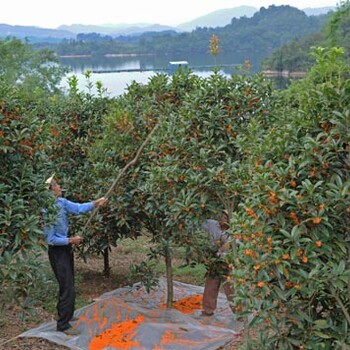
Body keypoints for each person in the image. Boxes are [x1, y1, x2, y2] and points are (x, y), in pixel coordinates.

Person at [43, 174, 107, 335]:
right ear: (50, 191)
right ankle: (63, 325)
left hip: (65, 249)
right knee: (67, 286)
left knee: (69, 282)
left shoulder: (62, 202)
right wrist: (70, 240)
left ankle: (66, 315)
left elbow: (78, 208)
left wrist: (95, 203)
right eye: (56, 185)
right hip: (58, 251)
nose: (59, 186)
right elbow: (50, 239)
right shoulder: (46, 210)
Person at [201, 209, 235, 316]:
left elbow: (233, 244)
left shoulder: (233, 232)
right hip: (214, 260)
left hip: (226, 262)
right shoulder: (212, 224)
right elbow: (197, 222)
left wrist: (227, 246)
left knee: (230, 288)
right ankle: (208, 310)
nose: (222, 218)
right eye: (222, 216)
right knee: (211, 286)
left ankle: (239, 313)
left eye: (225, 217)